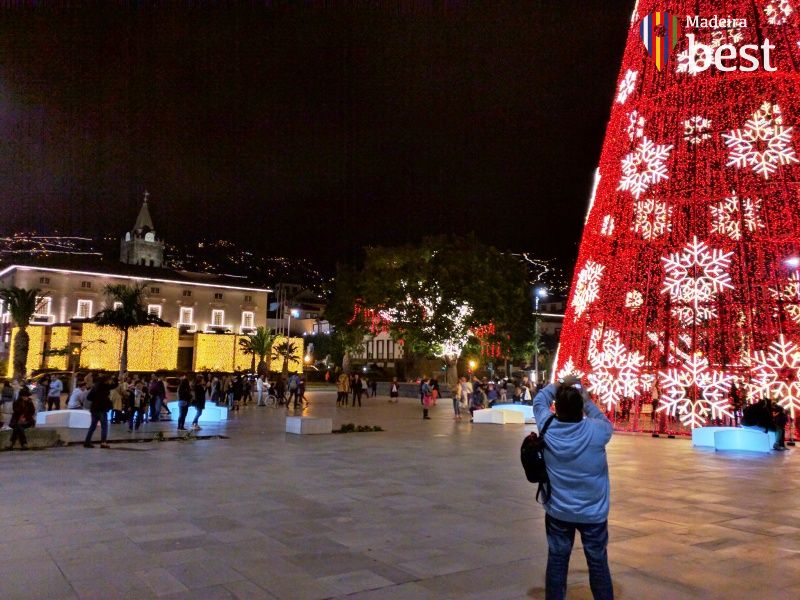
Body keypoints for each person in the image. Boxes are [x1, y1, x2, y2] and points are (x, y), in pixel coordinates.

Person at [532, 377, 614, 600]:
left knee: (557, 562)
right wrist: (586, 399)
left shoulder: (547, 427)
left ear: (556, 407)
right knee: (598, 563)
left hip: (559, 511)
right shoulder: (598, 431)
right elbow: (602, 418)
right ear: (581, 408)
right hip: (593, 513)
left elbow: (539, 401)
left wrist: (559, 383)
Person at [84, 376, 112, 449]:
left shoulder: (95, 387)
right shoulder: (104, 387)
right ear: (105, 381)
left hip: (94, 409)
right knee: (104, 426)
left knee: (92, 426)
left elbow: (89, 397)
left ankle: (87, 442)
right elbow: (113, 386)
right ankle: (103, 442)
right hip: (101, 409)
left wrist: (96, 398)